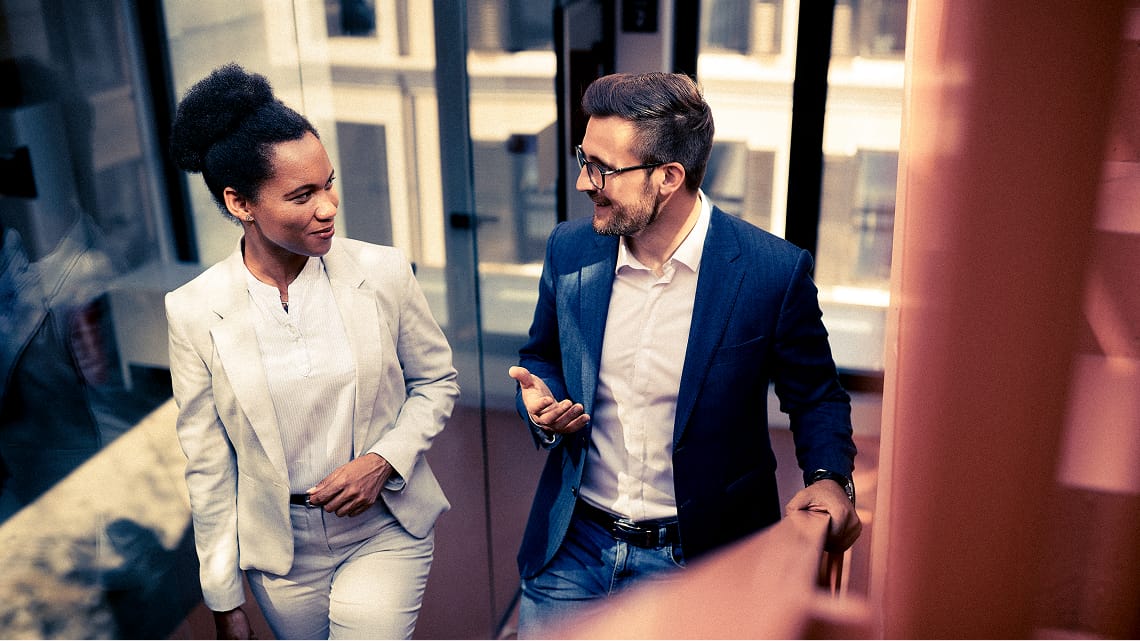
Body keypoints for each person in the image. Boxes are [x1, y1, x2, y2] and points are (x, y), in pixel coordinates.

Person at [508, 71, 861, 637]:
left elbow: (816, 396)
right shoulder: (569, 250)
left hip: (702, 559)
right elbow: (542, 355)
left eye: (602, 168)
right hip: (573, 548)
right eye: (583, 159)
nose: (582, 181)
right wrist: (541, 404)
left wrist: (828, 478)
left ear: (669, 177)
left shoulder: (771, 273)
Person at [165, 63, 458, 640]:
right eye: (302, 195)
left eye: (328, 183)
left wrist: (384, 460)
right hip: (282, 557)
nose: (329, 206)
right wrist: (224, 598)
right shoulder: (194, 310)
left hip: (385, 529)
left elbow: (437, 382)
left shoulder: (382, 272)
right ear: (241, 203)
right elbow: (208, 463)